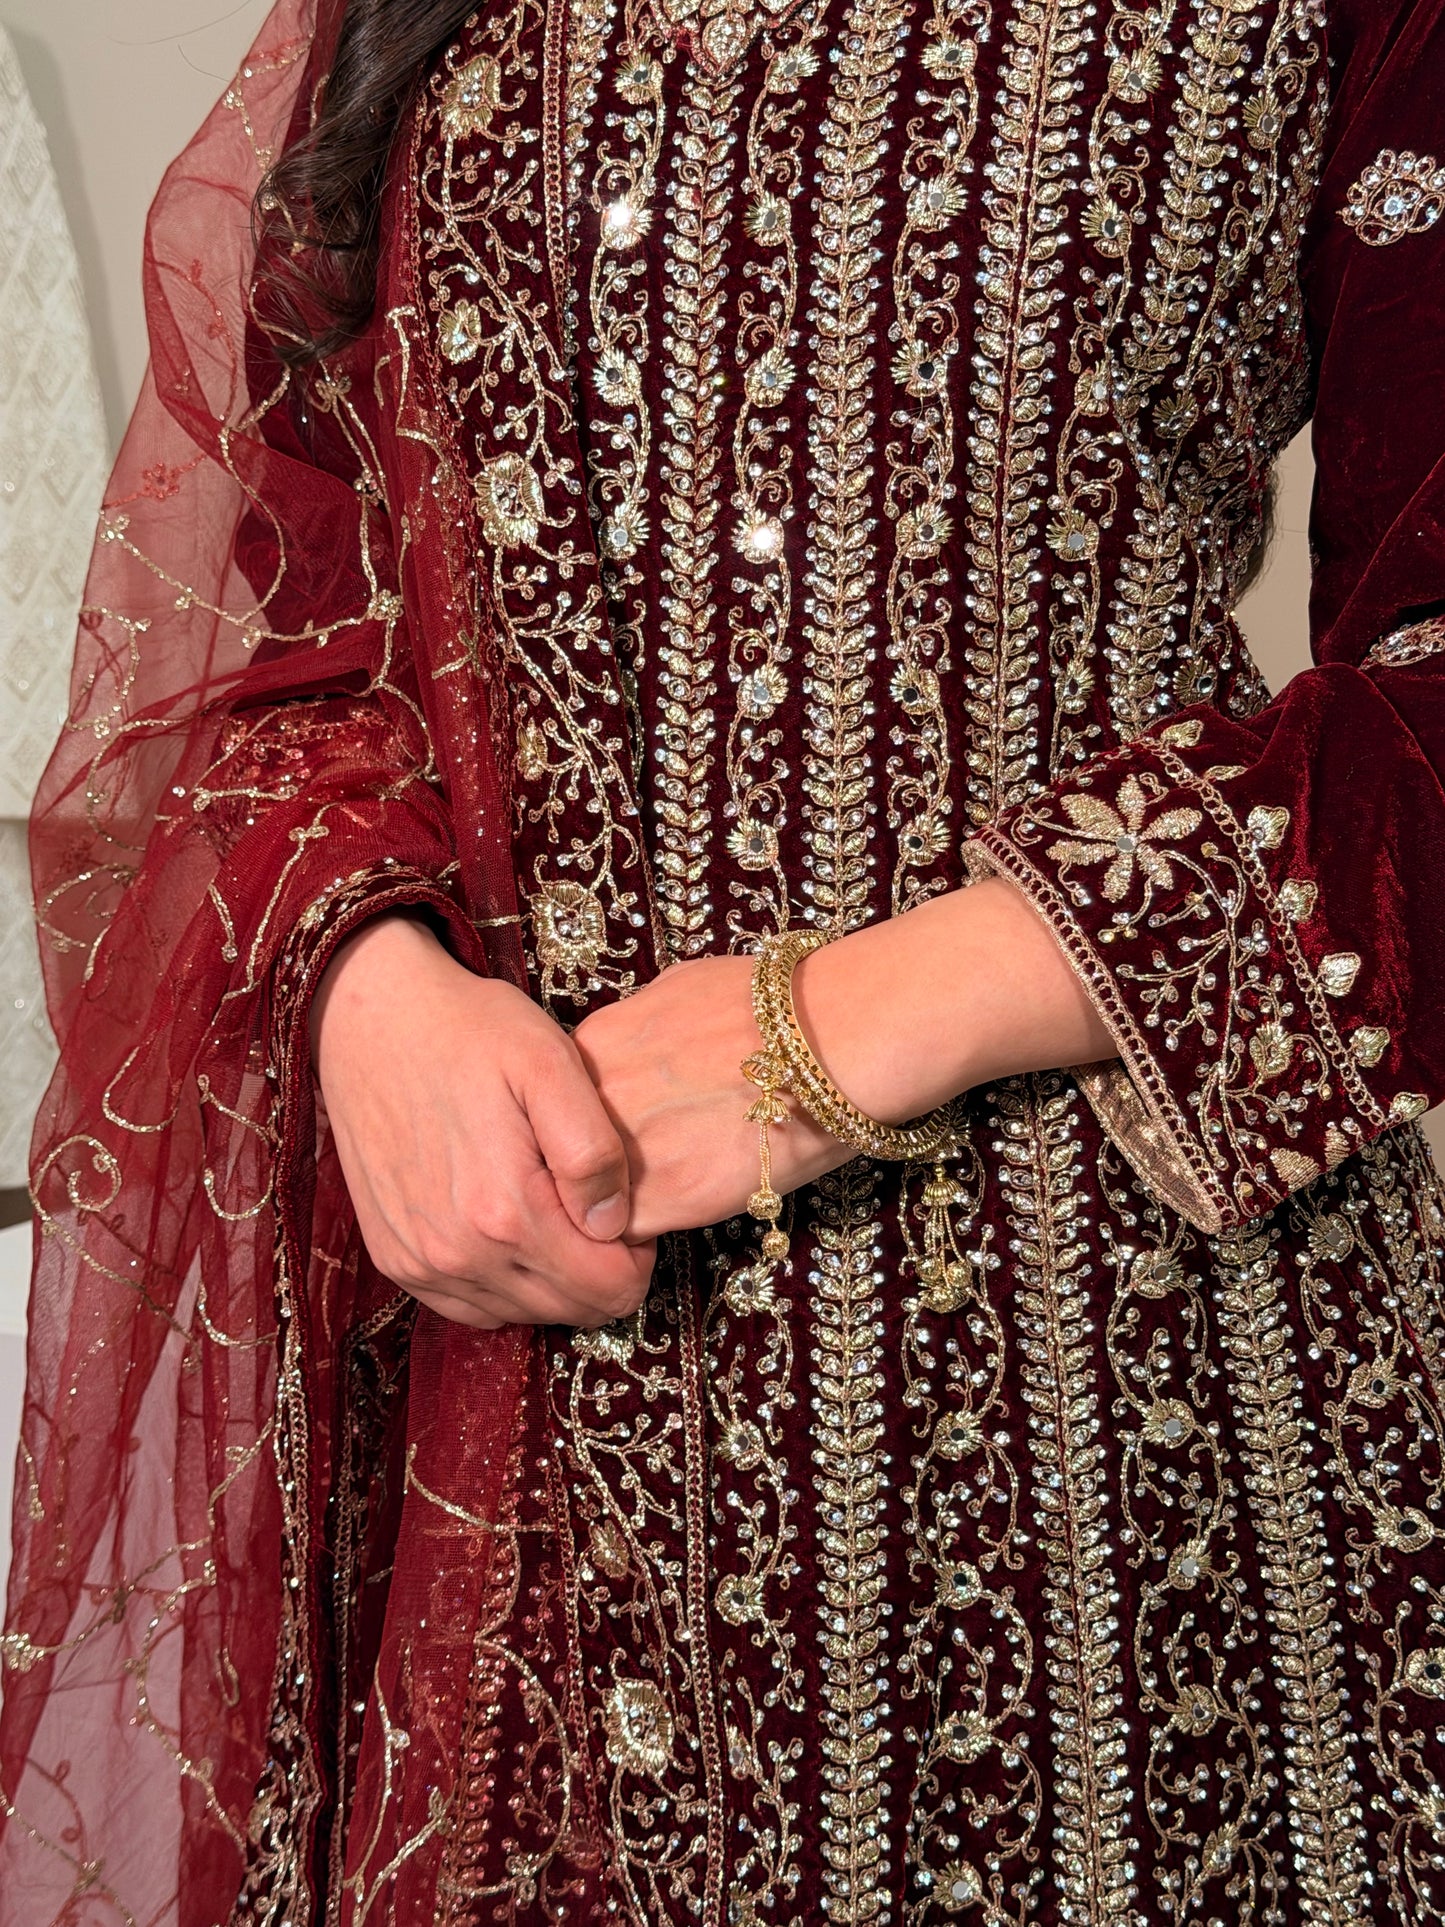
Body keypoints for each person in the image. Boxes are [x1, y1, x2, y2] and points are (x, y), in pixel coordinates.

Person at [5, 0, 1445, 1918]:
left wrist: (860, 1018)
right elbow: (290, 552)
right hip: (520, 1368)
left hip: (1123, 1387)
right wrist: (366, 980)